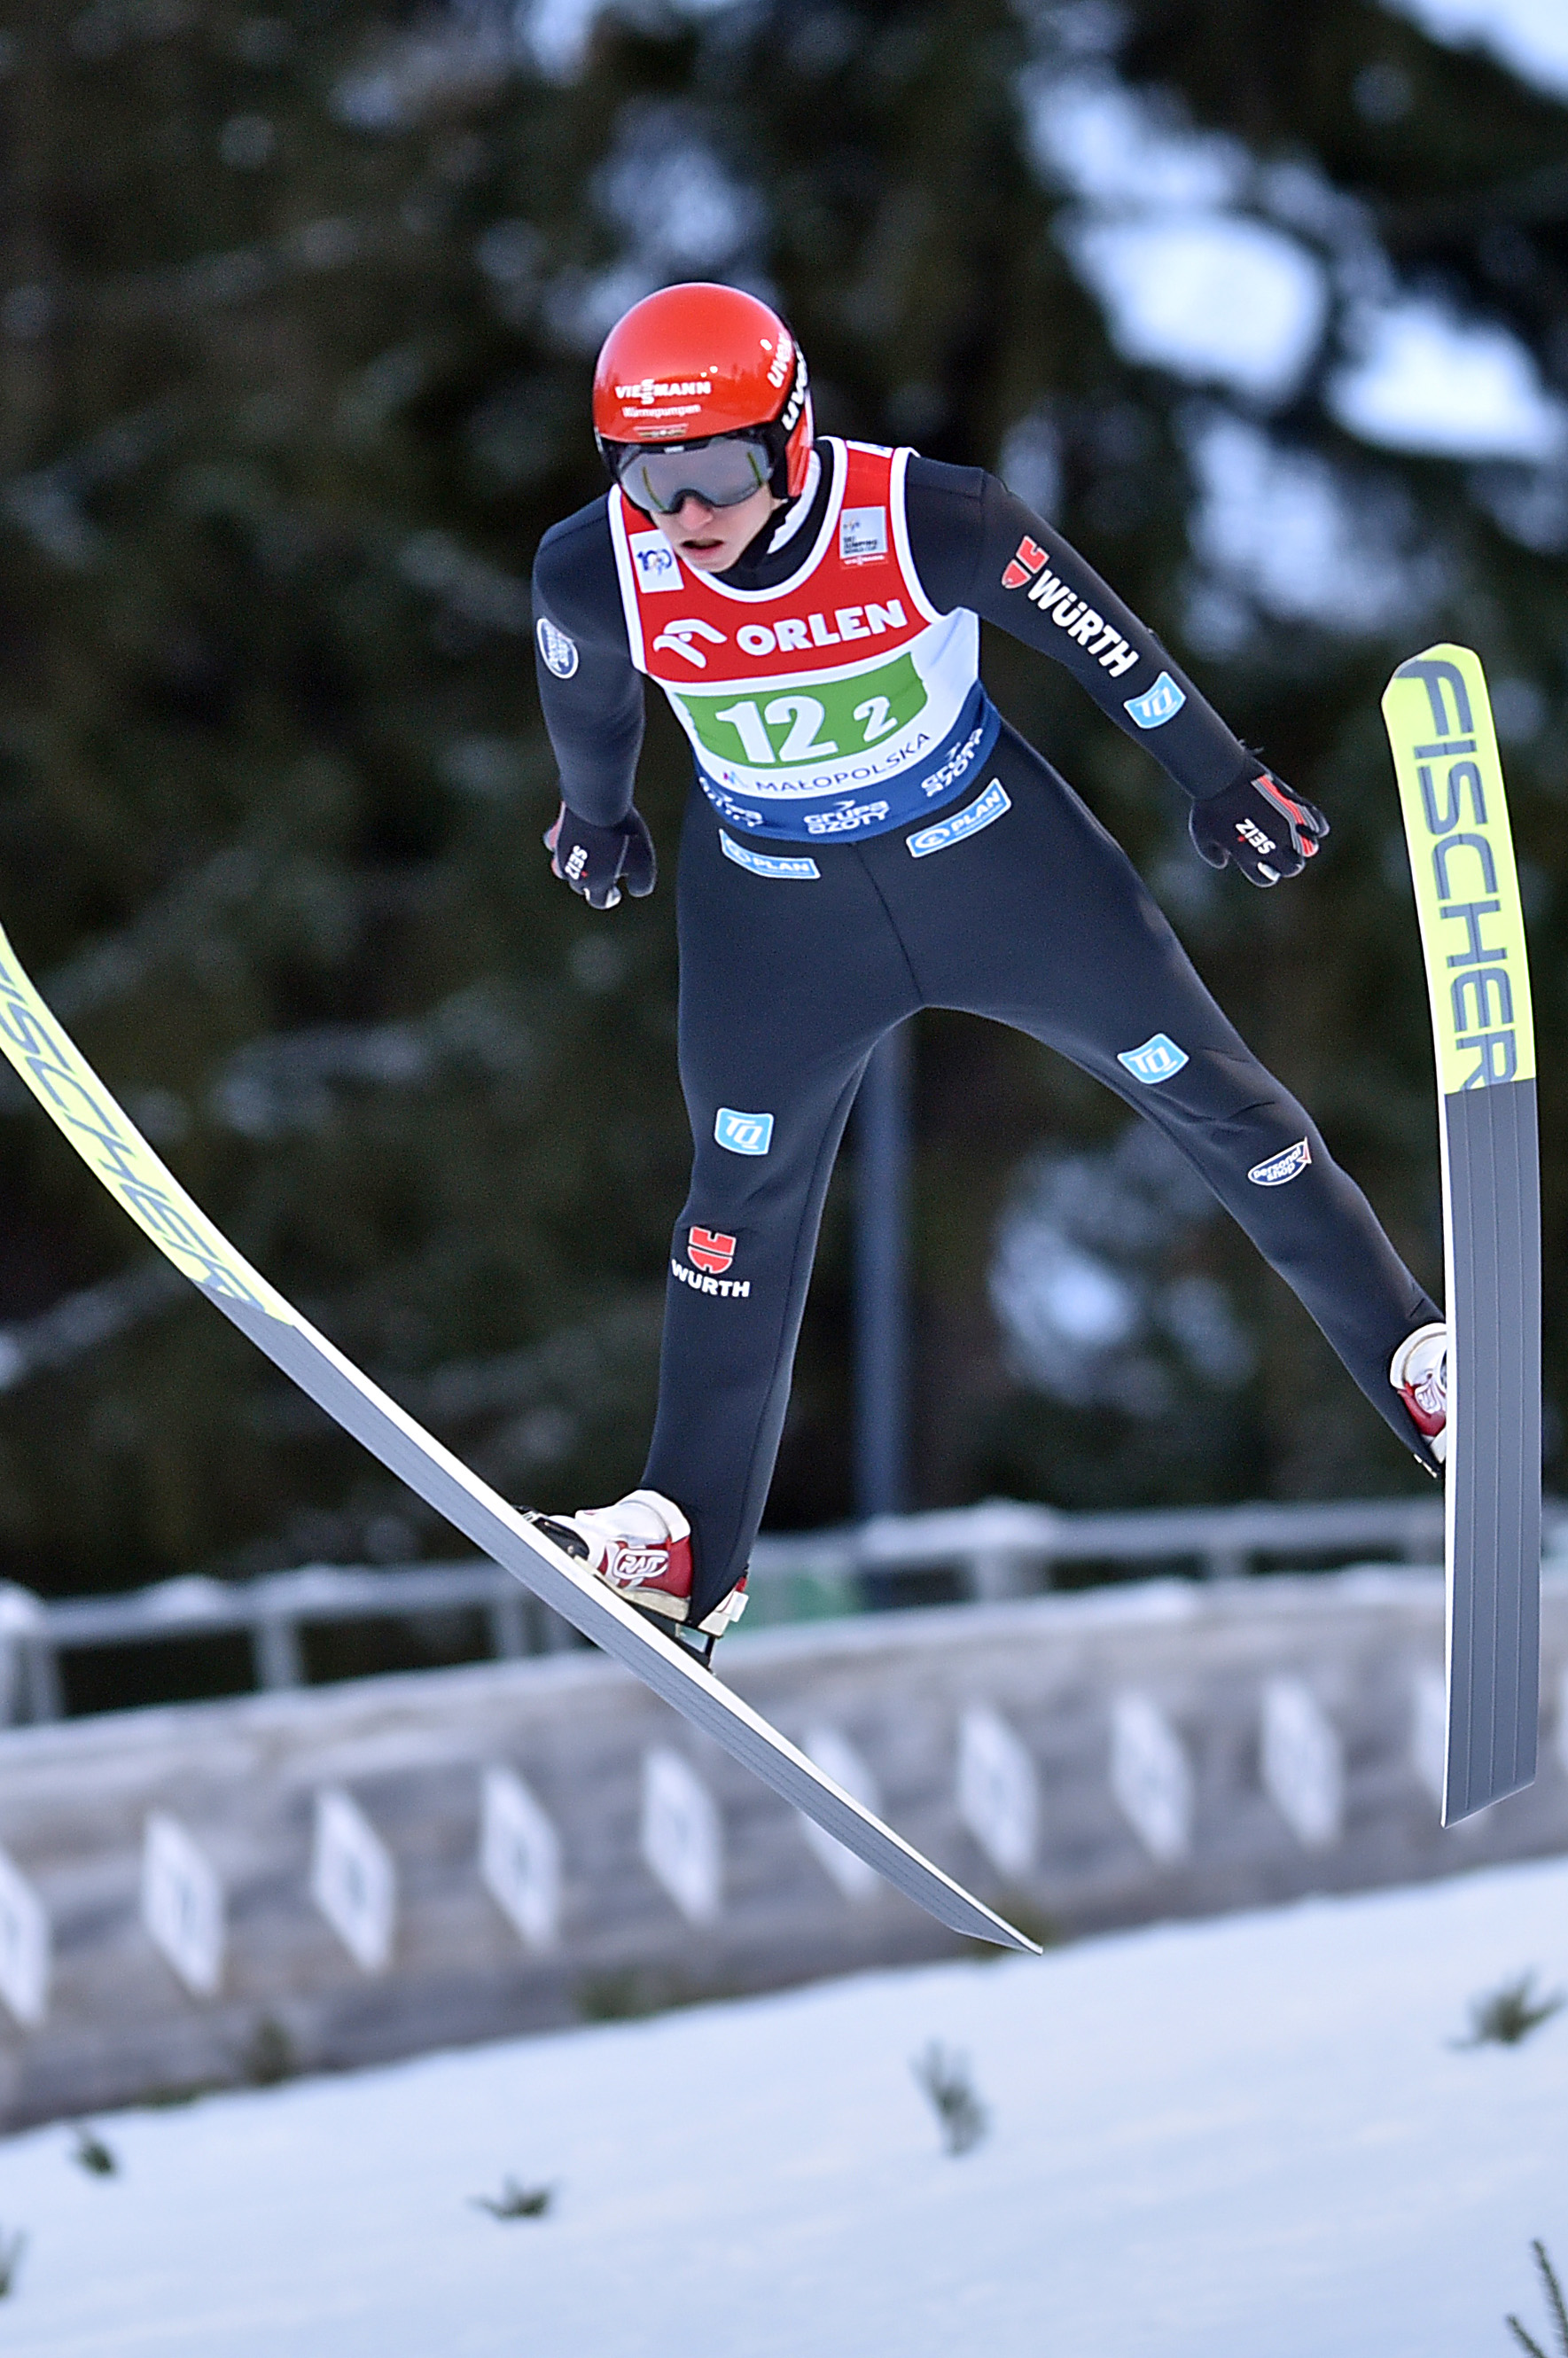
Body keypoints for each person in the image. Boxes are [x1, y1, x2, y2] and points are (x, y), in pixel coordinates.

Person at [522, 282, 1450, 1651]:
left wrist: (1221, 779)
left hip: (995, 865)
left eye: (718, 467)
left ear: (789, 436)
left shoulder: (926, 518)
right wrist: (594, 819)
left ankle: (1414, 1363)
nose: (686, 512)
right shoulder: (596, 567)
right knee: (735, 1216)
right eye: (650, 474)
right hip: (778, 916)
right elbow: (588, 699)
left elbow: (1101, 641)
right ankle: (684, 1544)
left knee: (1219, 1099)